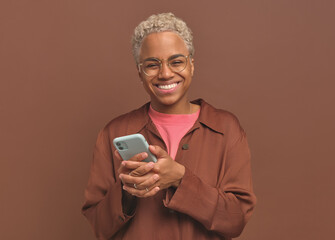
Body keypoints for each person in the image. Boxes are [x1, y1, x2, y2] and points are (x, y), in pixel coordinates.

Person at [82, 12, 256, 240]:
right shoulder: (114, 132)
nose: (165, 73)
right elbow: (99, 227)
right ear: (139, 72)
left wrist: (180, 179)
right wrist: (126, 191)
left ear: (191, 65)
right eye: (152, 65)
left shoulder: (226, 129)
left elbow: (236, 220)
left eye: (176, 62)